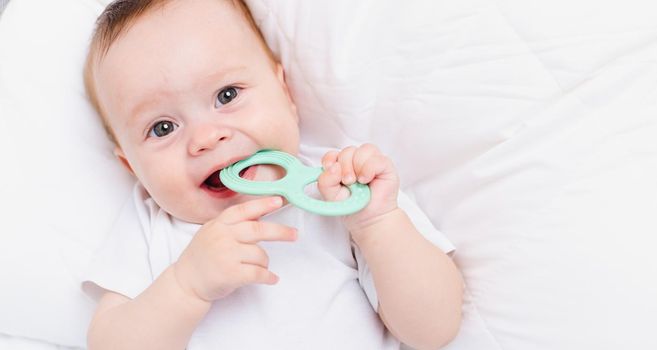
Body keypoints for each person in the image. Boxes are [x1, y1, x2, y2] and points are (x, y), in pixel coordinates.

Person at [81, 0, 464, 349]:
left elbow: (434, 329)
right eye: (163, 128)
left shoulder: (339, 188)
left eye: (227, 95)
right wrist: (185, 286)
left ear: (287, 96)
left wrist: (378, 223)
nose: (206, 138)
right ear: (132, 167)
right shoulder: (153, 227)